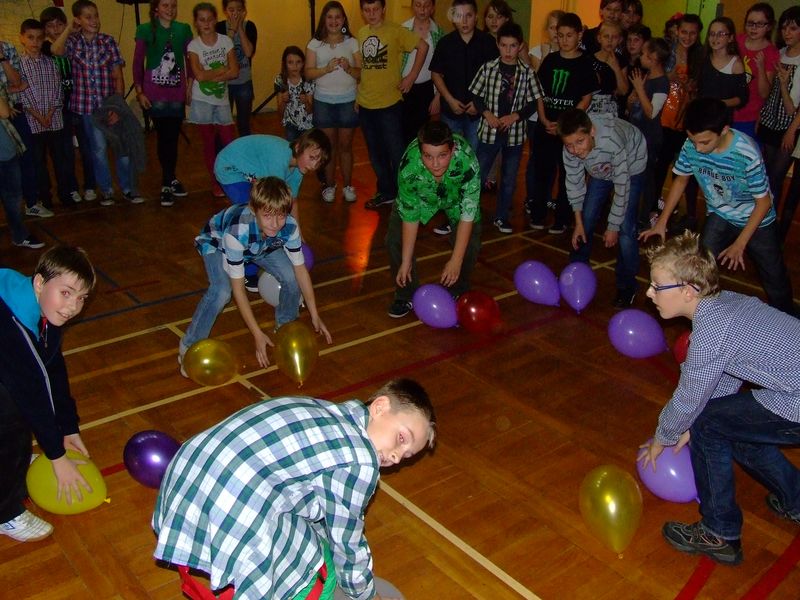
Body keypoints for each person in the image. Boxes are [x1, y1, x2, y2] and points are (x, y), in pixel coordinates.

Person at [153, 378, 435, 599]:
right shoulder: (360, 460)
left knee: (306, 534)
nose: (397, 456)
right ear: (380, 407)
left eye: (407, 455)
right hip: (233, 507)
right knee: (313, 573)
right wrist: (365, 594)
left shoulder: (327, 410)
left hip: (184, 477)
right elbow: (347, 542)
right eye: (401, 439)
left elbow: (315, 498)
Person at [638, 231, 800, 566]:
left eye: (657, 286)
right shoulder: (725, 305)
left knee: (709, 426)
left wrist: (664, 436)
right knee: (726, 423)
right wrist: (690, 422)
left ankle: (719, 532)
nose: (649, 292)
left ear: (688, 290)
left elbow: (689, 396)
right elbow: (727, 373)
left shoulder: (712, 329)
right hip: (793, 390)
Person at [641, 97, 795, 316]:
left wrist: (740, 243)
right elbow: (681, 180)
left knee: (774, 277)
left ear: (724, 130)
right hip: (720, 214)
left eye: (704, 142)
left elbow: (763, 202)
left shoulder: (745, 152)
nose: (698, 148)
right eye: (693, 140)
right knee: (698, 271)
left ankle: (790, 321)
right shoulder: (691, 146)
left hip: (756, 219)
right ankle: (703, 318)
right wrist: (662, 221)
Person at [178, 177, 331, 371]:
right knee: (222, 291)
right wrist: (257, 333)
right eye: (267, 216)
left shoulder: (289, 226)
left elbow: (300, 270)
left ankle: (285, 327)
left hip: (260, 243)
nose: (275, 223)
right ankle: (189, 346)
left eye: (281, 215)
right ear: (254, 210)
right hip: (217, 242)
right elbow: (239, 290)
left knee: (291, 276)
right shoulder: (237, 232)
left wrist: (315, 314)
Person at [0, 245, 95, 542]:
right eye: (66, 293)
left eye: (81, 298)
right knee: (11, 413)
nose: (72, 307)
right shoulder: (12, 321)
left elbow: (51, 367)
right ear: (40, 282)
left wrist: (68, 427)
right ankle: (5, 513)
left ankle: (13, 460)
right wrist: (57, 456)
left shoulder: (43, 306)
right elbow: (32, 393)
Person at [51, 0, 142, 206]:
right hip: (87, 108)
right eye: (88, 17)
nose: (94, 20)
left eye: (96, 15)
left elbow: (117, 76)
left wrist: (117, 106)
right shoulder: (73, 43)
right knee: (98, 150)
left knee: (122, 149)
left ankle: (128, 188)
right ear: (78, 20)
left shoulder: (107, 42)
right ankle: (107, 190)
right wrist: (69, 29)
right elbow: (55, 49)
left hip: (109, 105)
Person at [214, 131, 330, 292]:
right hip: (230, 168)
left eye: (319, 161)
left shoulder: (298, 169)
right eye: (312, 157)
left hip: (249, 172)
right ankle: (246, 270)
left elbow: (292, 201)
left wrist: (298, 235)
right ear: (298, 148)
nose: (314, 166)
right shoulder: (279, 160)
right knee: (255, 218)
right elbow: (273, 202)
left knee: (265, 219)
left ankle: (250, 258)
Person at [386, 121, 481, 318]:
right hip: (421, 197)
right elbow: (410, 216)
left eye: (442, 156)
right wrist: (406, 261)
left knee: (470, 244)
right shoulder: (409, 166)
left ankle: (458, 289)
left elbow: (467, 214)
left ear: (452, 150)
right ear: (420, 152)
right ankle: (406, 294)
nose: (435, 164)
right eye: (428, 156)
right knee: (394, 240)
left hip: (456, 199)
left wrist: (456, 260)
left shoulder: (467, 163)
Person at [559, 108, 646, 307]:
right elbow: (574, 184)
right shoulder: (571, 149)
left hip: (631, 162)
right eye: (569, 145)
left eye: (579, 142)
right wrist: (578, 223)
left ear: (591, 131)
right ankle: (577, 271)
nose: (575, 150)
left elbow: (622, 186)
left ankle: (627, 285)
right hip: (600, 167)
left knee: (626, 230)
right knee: (587, 219)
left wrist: (613, 225)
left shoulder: (611, 141)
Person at [428, 0, 497, 236]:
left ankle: (468, 211)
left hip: (477, 115)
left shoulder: (487, 43)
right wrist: (448, 99)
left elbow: (494, 77)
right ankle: (451, 214)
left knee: (472, 164)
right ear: (453, 18)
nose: (464, 21)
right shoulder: (446, 43)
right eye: (459, 16)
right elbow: (436, 74)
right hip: (452, 114)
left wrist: (480, 104)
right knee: (450, 164)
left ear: (476, 17)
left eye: (469, 15)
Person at [469, 21, 543, 234]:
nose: (508, 51)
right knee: (479, 174)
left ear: (520, 46)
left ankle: (501, 216)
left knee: (509, 178)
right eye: (504, 45)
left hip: (514, 136)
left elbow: (533, 103)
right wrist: (487, 114)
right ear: (498, 45)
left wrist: (515, 116)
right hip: (489, 132)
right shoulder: (488, 68)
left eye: (513, 46)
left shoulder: (527, 73)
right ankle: (468, 214)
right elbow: (476, 95)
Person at [357, 0, 428, 210]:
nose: (372, 13)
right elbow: (364, 69)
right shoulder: (361, 33)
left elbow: (423, 47)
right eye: (367, 10)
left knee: (396, 152)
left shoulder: (396, 31)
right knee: (375, 154)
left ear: (383, 9)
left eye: (376, 9)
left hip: (389, 104)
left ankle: (406, 194)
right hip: (366, 104)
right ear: (362, 12)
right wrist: (357, 97)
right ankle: (386, 192)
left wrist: (411, 77)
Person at [529, 12, 596, 234]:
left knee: (569, 174)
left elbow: (586, 99)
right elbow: (540, 93)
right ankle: (538, 213)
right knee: (542, 172)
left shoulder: (585, 64)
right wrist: (543, 118)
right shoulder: (550, 60)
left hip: (567, 131)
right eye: (560, 35)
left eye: (569, 35)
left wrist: (564, 124)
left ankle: (563, 218)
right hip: (546, 127)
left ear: (579, 35)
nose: (564, 40)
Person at [134, 0, 194, 207]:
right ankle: (167, 182)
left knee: (173, 136)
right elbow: (138, 62)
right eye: (165, 5)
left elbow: (190, 59)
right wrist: (139, 91)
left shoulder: (183, 29)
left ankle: (170, 178)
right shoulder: (145, 30)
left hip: (177, 91)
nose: (170, 9)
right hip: (155, 92)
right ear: (156, 8)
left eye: (173, 5)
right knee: (163, 137)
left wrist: (190, 85)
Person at [305, 0, 361, 204]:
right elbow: (308, 73)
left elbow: (361, 73)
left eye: (338, 17)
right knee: (328, 148)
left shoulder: (352, 42)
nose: (334, 21)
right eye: (330, 17)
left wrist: (348, 68)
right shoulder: (314, 44)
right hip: (323, 102)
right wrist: (325, 69)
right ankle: (329, 186)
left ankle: (347, 186)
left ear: (343, 19)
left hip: (348, 101)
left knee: (345, 147)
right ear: (324, 20)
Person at [18, 19, 75, 212]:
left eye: (39, 38)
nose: (35, 42)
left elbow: (58, 90)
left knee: (61, 160)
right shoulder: (19, 65)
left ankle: (65, 193)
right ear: (22, 38)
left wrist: (50, 112)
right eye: (30, 38)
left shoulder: (51, 63)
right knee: (38, 163)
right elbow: (22, 95)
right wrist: (37, 115)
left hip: (54, 120)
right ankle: (45, 196)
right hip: (33, 122)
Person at [40, 6, 93, 205]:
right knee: (64, 152)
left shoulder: (74, 43)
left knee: (87, 147)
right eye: (50, 26)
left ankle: (90, 185)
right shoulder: (45, 47)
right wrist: (68, 30)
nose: (55, 29)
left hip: (79, 103)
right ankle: (69, 189)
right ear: (45, 29)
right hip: (58, 108)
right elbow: (57, 50)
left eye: (59, 24)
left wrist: (73, 32)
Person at [186, 1, 239, 198]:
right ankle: (215, 182)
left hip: (221, 100)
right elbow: (199, 76)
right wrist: (221, 70)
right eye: (202, 20)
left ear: (216, 20)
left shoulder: (225, 41)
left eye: (210, 19)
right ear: (196, 23)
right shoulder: (194, 46)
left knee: (228, 140)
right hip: (202, 101)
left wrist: (212, 74)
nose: (206, 23)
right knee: (209, 143)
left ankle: (233, 178)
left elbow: (234, 71)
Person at [1, 36, 51, 218]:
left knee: (27, 157)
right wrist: (5, 102)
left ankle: (31, 203)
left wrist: (2, 58)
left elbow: (17, 82)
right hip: (4, 112)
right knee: (6, 162)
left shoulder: (8, 48)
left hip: (16, 111)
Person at [758, 6, 800, 209]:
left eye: (793, 28)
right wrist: (760, 117)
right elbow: (768, 93)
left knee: (776, 176)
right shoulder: (779, 53)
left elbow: (792, 109)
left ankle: (769, 218)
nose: (787, 33)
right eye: (784, 28)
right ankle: (758, 216)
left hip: (788, 125)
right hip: (768, 122)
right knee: (764, 175)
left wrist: (792, 131)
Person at [628, 37, 669, 229]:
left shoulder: (661, 82)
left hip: (649, 137)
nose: (640, 57)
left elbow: (651, 112)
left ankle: (644, 218)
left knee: (647, 178)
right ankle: (633, 213)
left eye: (644, 54)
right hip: (636, 134)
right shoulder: (647, 77)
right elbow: (633, 107)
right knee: (635, 176)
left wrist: (639, 89)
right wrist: (633, 97)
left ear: (654, 58)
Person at [0, 82, 43, 249]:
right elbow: (4, 112)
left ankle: (19, 235)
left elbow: (6, 110)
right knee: (12, 196)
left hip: (5, 149)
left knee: (13, 196)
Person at [400, 0, 443, 145]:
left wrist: (438, 96)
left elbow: (442, 69)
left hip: (426, 89)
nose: (422, 9)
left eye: (427, 5)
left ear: (433, 8)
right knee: (402, 132)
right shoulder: (402, 29)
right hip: (403, 86)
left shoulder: (439, 33)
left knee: (422, 134)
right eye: (418, 5)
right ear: (412, 7)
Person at [733, 3, 778, 139]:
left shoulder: (771, 52)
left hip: (749, 116)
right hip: (727, 109)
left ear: (769, 26)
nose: (753, 28)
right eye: (750, 23)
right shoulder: (737, 40)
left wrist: (761, 68)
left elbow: (764, 94)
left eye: (759, 24)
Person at [216, 0, 257, 137]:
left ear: (244, 10)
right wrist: (232, 31)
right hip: (224, 83)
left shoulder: (249, 26)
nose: (235, 13)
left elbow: (249, 52)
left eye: (239, 9)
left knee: (244, 124)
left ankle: (244, 148)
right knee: (223, 124)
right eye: (231, 10)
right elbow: (221, 55)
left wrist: (239, 28)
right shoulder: (219, 27)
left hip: (244, 82)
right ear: (225, 11)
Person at [587, 20, 629, 116]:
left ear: (620, 40)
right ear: (599, 38)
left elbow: (623, 91)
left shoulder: (621, 61)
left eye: (614, 37)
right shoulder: (589, 60)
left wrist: (616, 68)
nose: (610, 40)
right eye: (606, 36)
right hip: (591, 109)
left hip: (611, 112)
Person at [274, 46, 314, 142]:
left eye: (298, 62)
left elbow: (310, 110)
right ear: (285, 64)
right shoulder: (280, 80)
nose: (295, 66)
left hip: (307, 124)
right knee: (291, 147)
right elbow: (280, 112)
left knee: (306, 147)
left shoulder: (307, 80)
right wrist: (284, 101)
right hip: (290, 123)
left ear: (303, 63)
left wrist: (306, 102)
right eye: (290, 62)